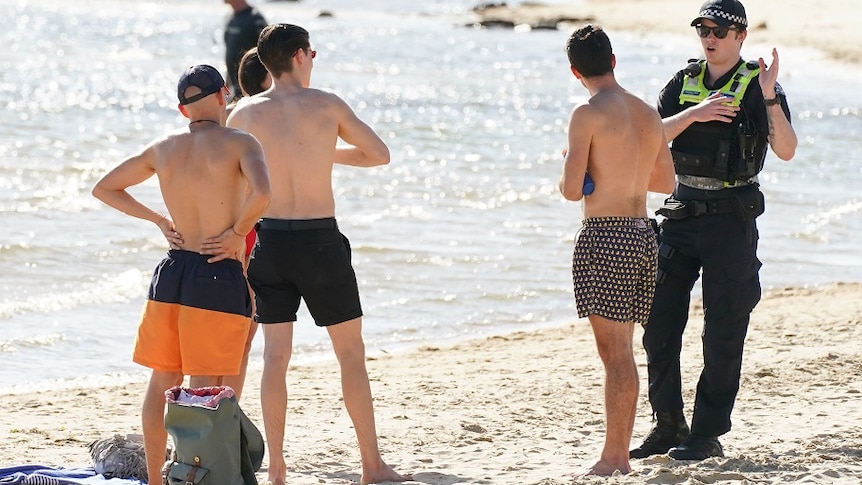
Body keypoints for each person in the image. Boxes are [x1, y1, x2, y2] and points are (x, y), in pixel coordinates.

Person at [226, 23, 411, 485]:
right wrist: (324, 152)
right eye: (312, 51)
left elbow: (231, 180)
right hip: (320, 242)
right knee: (350, 355)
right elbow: (378, 154)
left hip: (269, 242)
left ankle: (278, 470)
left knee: (275, 359)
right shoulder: (327, 104)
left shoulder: (244, 113)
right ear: (300, 57)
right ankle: (372, 467)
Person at [629, 0, 797, 461]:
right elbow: (648, 136)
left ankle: (705, 433)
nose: (710, 37)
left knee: (723, 329)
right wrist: (694, 115)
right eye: (704, 28)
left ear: (741, 36)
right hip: (681, 213)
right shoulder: (683, 82)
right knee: (658, 322)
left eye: (720, 30)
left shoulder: (758, 84)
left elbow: (786, 150)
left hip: (731, 218)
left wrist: (767, 97)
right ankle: (667, 425)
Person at [91, 64, 271, 483]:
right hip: (216, 268)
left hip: (172, 271)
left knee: (163, 379)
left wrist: (158, 220)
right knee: (203, 389)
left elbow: (105, 187)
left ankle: (156, 479)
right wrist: (237, 233)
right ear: (224, 94)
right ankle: (195, 478)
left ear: (181, 109)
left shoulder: (163, 147)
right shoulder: (241, 142)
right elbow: (262, 192)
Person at [559, 25, 675, 476]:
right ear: (613, 60)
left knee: (615, 355)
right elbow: (665, 182)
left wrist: (570, 166)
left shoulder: (585, 114)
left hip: (605, 234)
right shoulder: (647, 112)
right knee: (624, 350)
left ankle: (615, 458)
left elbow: (571, 191)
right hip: (643, 233)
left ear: (575, 71)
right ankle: (619, 453)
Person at [222, 46, 272, 399]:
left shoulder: (228, 116)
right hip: (247, 230)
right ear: (268, 76)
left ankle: (222, 410)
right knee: (240, 333)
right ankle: (226, 411)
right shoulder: (261, 116)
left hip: (228, 227)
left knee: (232, 332)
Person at [223, 0, 268, 98]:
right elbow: (230, 55)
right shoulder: (230, 18)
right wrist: (226, 86)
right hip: (235, 89)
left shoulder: (255, 18)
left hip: (252, 91)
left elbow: (268, 53)